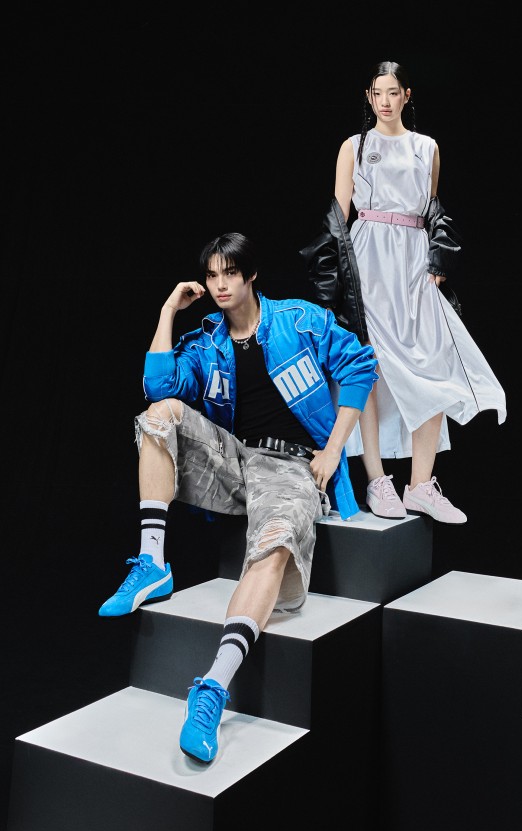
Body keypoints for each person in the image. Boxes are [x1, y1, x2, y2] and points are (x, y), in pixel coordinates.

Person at [98, 232, 377, 764]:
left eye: (230, 273)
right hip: (234, 460)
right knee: (158, 416)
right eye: (212, 276)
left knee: (275, 541)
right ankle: (152, 563)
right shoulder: (207, 342)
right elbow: (159, 387)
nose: (220, 285)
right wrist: (167, 312)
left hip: (291, 465)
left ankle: (212, 689)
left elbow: (360, 366)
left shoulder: (299, 320)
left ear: (251, 276)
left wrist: (332, 451)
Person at [301, 60, 506, 524]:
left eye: (393, 92)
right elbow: (339, 217)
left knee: (431, 366)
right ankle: (377, 481)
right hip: (368, 260)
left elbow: (432, 211)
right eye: (378, 93)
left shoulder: (426, 147)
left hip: (412, 263)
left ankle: (420, 484)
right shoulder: (354, 146)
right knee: (368, 368)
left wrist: (438, 259)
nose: (385, 101)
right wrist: (333, 282)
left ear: (407, 95)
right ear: (368, 97)